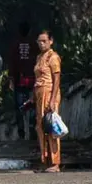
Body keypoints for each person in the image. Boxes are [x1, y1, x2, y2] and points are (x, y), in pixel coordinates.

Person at [33, 29, 63, 172]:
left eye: (44, 41)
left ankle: (55, 162)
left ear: (50, 41)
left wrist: (52, 100)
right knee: (41, 127)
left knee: (52, 126)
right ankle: (44, 159)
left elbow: (56, 79)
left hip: (49, 92)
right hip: (39, 93)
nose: (42, 44)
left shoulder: (53, 57)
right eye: (39, 41)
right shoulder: (39, 57)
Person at [10, 21, 36, 140]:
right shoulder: (33, 45)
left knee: (20, 106)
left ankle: (21, 131)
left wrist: (11, 79)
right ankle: (31, 125)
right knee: (33, 103)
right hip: (32, 80)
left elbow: (12, 64)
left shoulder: (15, 45)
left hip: (19, 80)